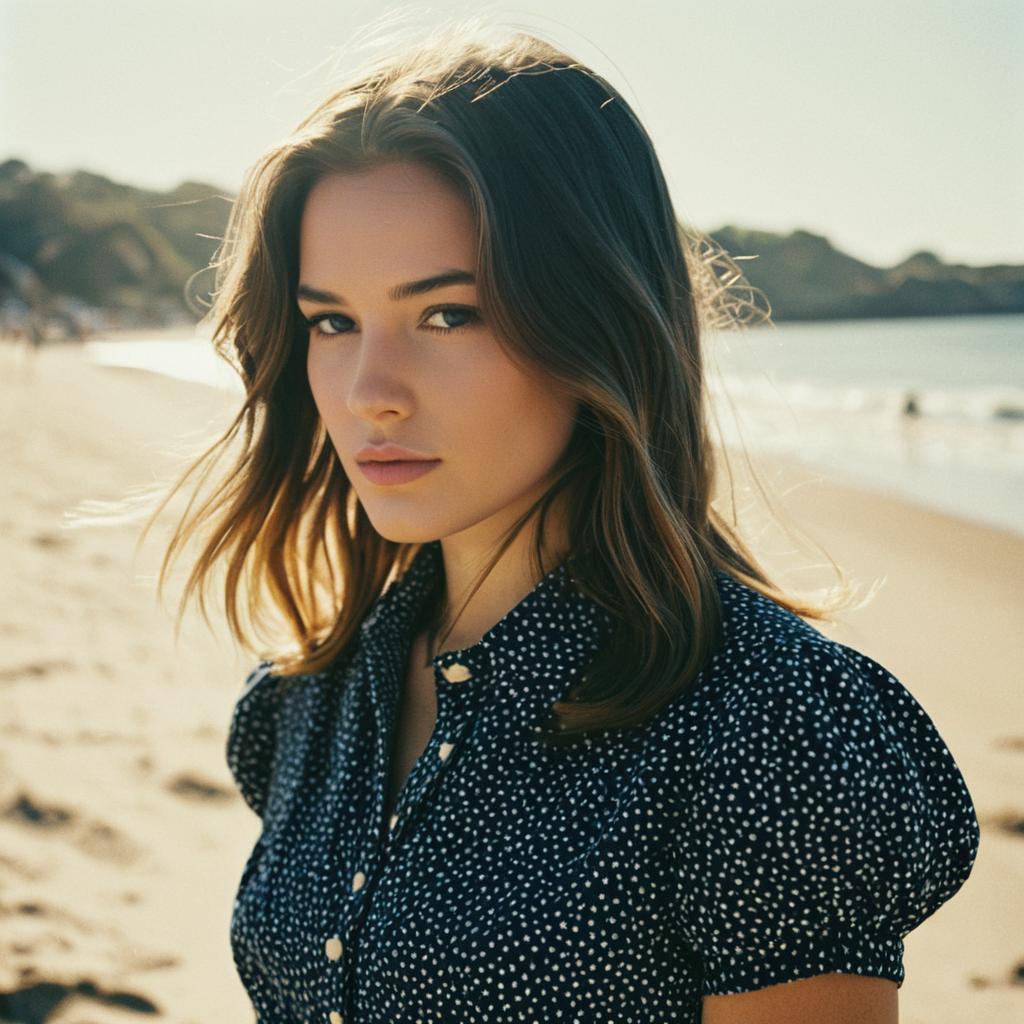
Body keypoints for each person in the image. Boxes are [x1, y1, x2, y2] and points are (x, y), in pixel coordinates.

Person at [143, 16, 979, 1024]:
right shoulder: (307, 706)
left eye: (449, 313)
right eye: (333, 321)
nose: (370, 391)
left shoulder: (760, 729)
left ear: (596, 319)